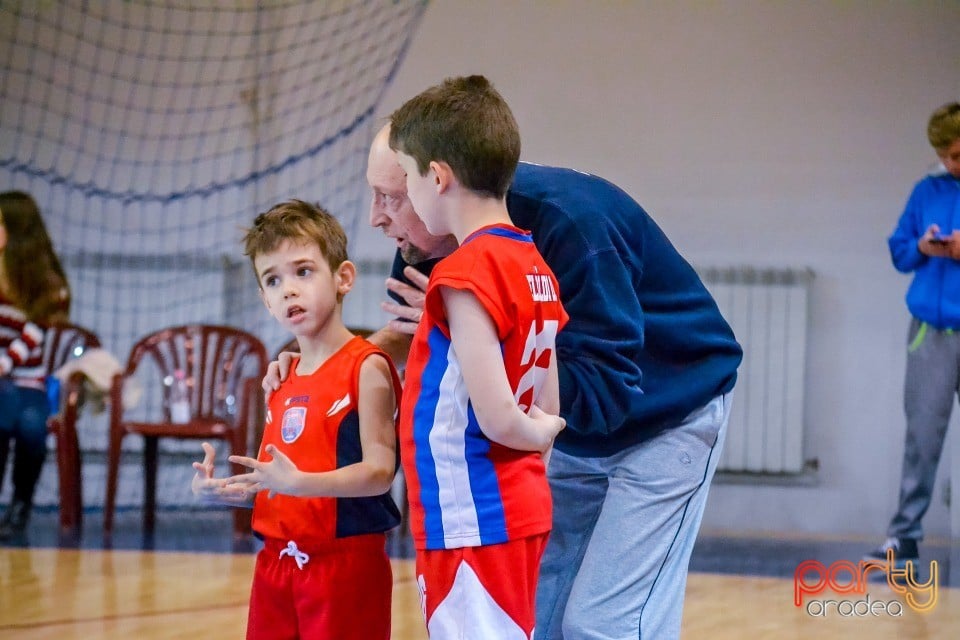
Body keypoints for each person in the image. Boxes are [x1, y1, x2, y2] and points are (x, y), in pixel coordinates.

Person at [268, 100, 742, 640]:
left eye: (391, 198)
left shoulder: (571, 228)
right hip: (560, 432)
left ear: (437, 182)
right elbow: (416, 332)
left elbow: (604, 389)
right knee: (536, 618)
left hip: (667, 409)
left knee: (605, 624)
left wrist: (477, 336)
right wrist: (328, 363)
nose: (376, 217)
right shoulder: (428, 239)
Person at [388, 75, 567, 639]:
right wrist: (543, 431)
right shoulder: (532, 261)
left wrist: (534, 434)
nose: (408, 198)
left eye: (408, 180)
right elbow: (547, 396)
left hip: (473, 517)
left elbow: (498, 415)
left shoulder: (466, 270)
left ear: (437, 177)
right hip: (512, 507)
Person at [192, 199, 403, 640]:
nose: (288, 289)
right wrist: (231, 492)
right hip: (274, 566)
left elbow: (381, 473)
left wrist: (298, 483)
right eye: (273, 280)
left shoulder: (366, 367)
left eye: (303, 271)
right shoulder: (281, 376)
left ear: (343, 277)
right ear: (264, 300)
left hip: (344, 567)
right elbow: (284, 484)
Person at [867, 101, 960, 568]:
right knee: (922, 437)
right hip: (931, 332)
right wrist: (924, 246)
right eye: (946, 155)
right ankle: (904, 538)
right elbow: (900, 252)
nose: (951, 163)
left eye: (958, 154)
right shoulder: (927, 190)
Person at [0, 190, 71, 541]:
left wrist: (5, 361)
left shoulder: (47, 284)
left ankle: (19, 508)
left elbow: (35, 332)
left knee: (29, 427)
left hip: (27, 381)